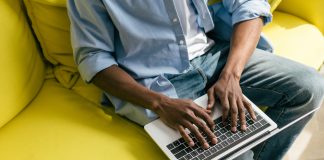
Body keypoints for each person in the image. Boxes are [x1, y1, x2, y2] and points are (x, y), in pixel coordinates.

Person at [67, 0, 324, 159]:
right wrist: (159, 103)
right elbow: (93, 57)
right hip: (160, 84)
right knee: (236, 154)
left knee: (311, 88)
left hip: (214, 54)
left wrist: (231, 75)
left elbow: (249, 5)